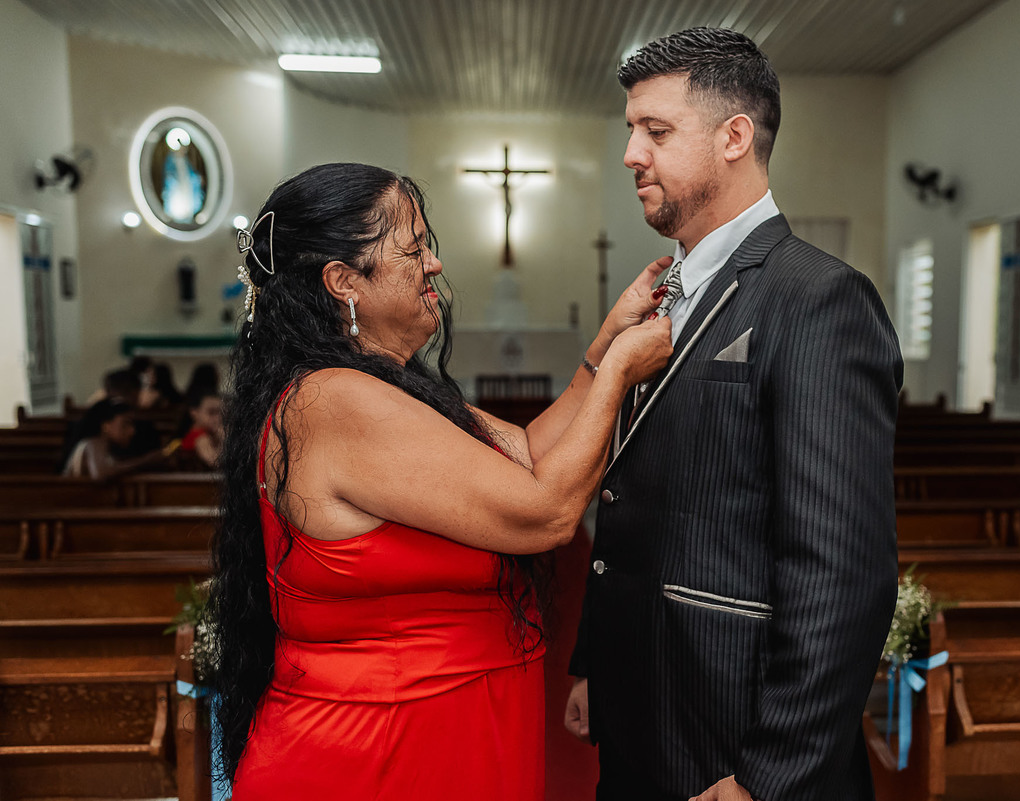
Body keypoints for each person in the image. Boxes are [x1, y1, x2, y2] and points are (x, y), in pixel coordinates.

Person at [210, 162, 673, 799]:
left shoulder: (382, 388)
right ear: (345, 281)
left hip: (434, 738)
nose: (433, 263)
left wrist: (604, 343)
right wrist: (620, 373)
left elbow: (532, 454)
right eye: (414, 247)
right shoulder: (334, 400)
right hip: (374, 756)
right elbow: (547, 513)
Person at [564, 28, 904, 801]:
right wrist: (593, 658)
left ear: (734, 137)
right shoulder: (660, 293)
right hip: (640, 706)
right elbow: (629, 496)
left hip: (731, 739)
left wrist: (769, 773)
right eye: (630, 131)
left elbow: (842, 571)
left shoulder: (818, 300)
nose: (630, 155)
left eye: (655, 130)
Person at [61, 399, 173, 480]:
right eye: (125, 424)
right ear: (106, 426)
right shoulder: (93, 442)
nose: (132, 431)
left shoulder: (107, 447)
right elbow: (101, 473)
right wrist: (146, 461)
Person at [176, 388, 223, 469]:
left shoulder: (206, 434)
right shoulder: (200, 437)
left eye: (221, 413)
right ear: (194, 412)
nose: (218, 418)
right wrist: (224, 439)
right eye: (211, 412)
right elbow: (215, 462)